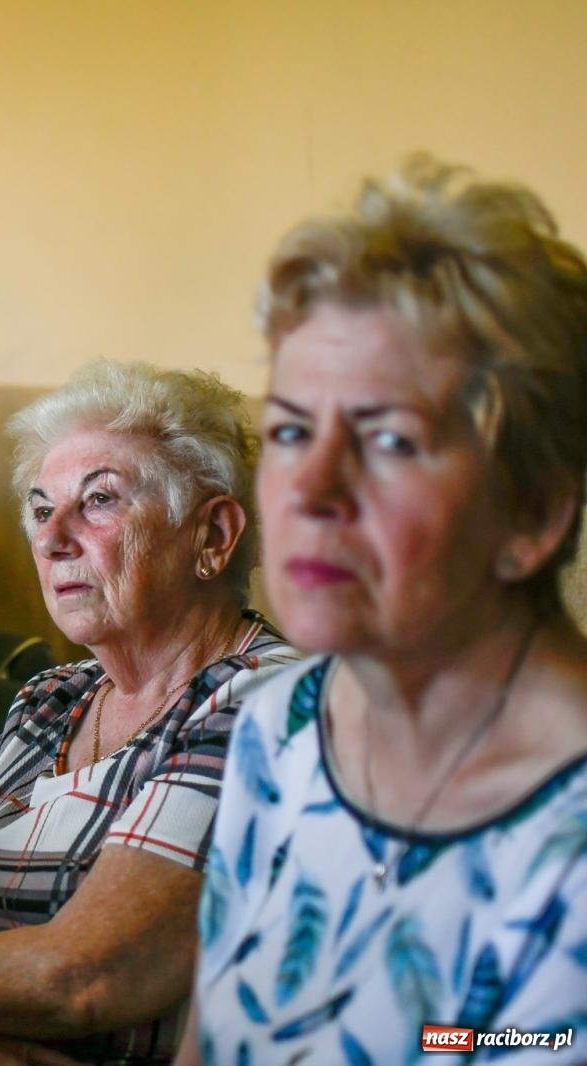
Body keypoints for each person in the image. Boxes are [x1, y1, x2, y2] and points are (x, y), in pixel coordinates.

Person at [185, 159, 587, 1064]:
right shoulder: (277, 727)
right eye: (290, 429)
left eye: (392, 440)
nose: (312, 488)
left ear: (531, 515)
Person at [0, 362, 300, 1066]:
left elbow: (85, 977)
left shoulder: (265, 703)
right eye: (41, 511)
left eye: (99, 501)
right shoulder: (55, 696)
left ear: (213, 537)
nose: (52, 539)